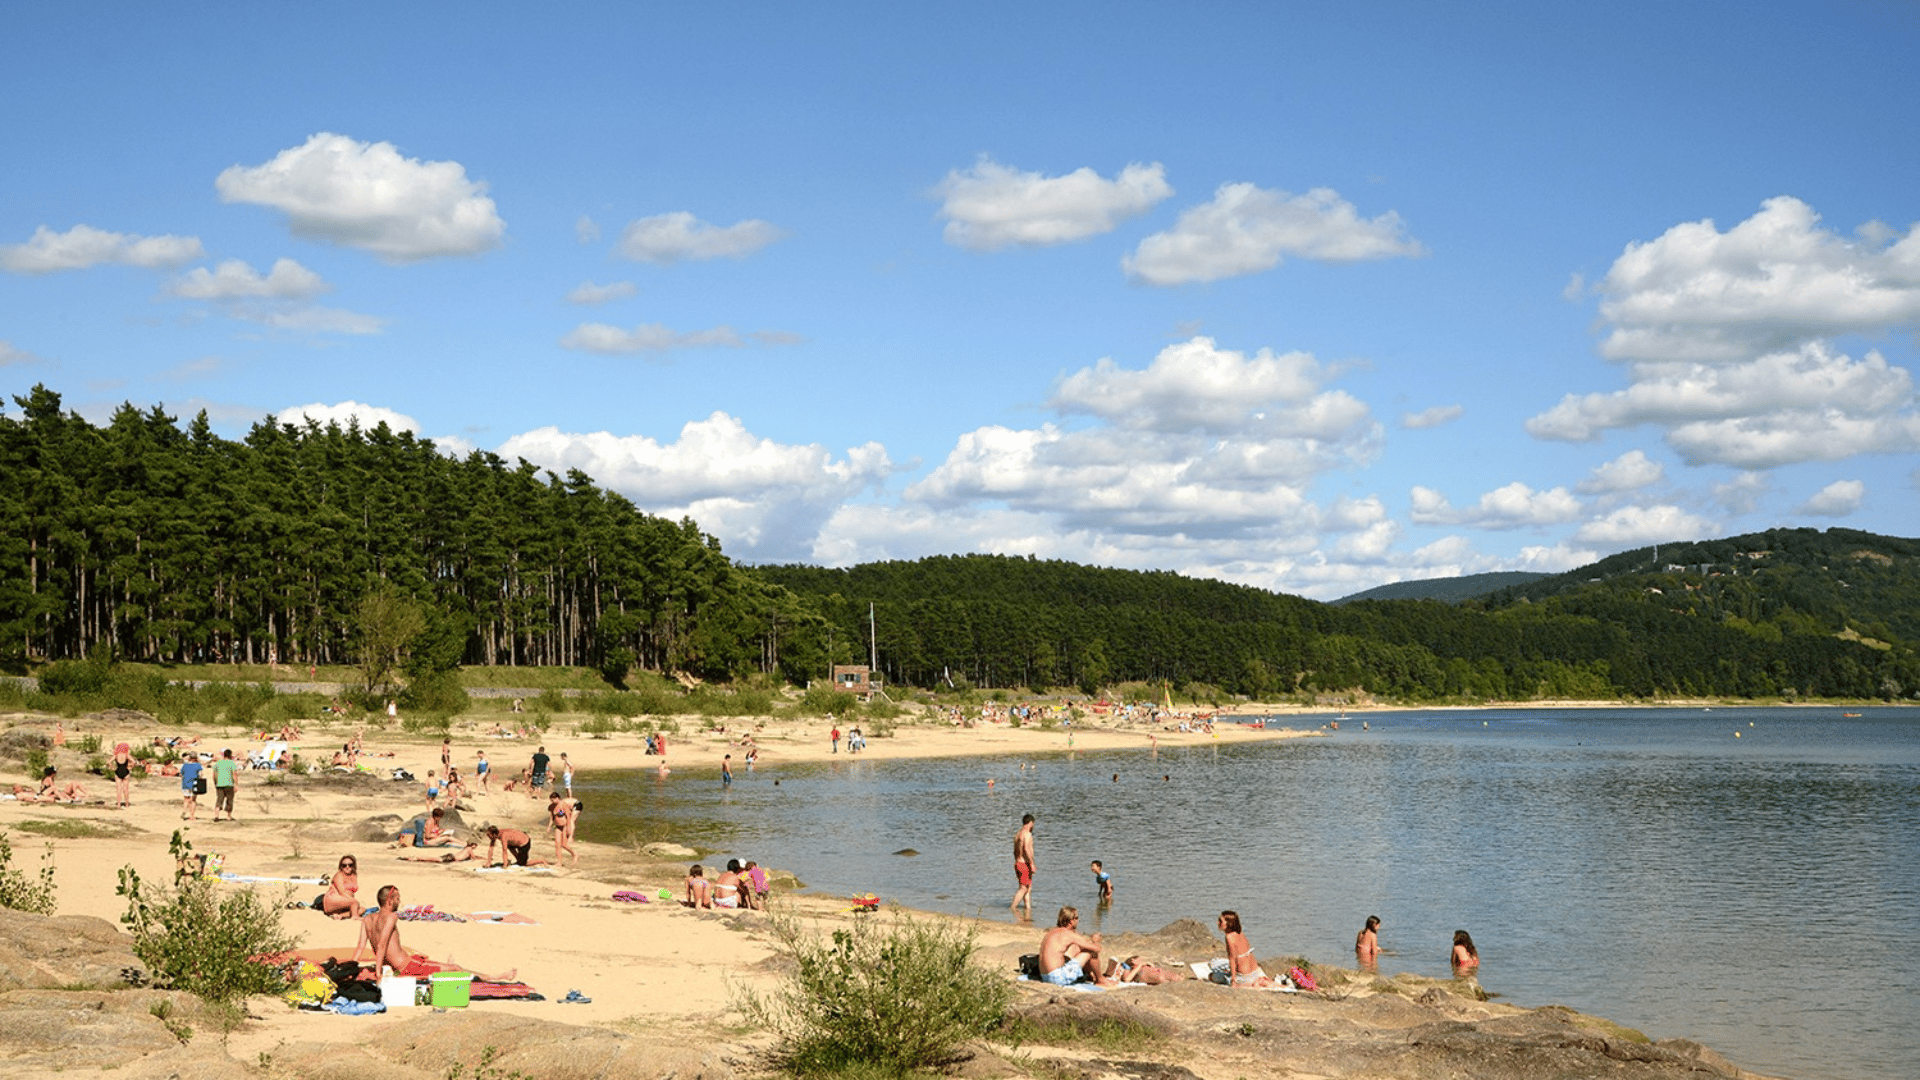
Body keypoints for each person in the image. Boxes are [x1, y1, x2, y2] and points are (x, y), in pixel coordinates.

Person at [355, 884, 514, 981]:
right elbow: (382, 946)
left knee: (436, 963)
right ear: (390, 900)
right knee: (456, 969)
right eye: (397, 898)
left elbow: (360, 947)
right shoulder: (391, 917)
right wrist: (378, 975)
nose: (400, 901)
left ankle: (448, 965)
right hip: (406, 967)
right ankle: (495, 977)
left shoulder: (367, 919)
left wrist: (352, 966)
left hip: (395, 965)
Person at [1037, 906, 1117, 986]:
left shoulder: (1052, 932)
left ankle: (1091, 975)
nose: (1078, 921)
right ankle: (1100, 980)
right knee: (1091, 952)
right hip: (1058, 978)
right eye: (1077, 918)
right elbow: (1097, 949)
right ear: (1071, 921)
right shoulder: (1069, 934)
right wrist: (1094, 941)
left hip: (1045, 976)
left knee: (1077, 949)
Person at [1214, 910, 1275, 987]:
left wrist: (1233, 980)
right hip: (1255, 972)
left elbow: (1232, 959)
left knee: (1212, 976)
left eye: (1220, 921)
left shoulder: (1229, 937)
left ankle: (1248, 984)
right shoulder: (1241, 934)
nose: (1217, 923)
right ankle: (1256, 982)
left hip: (1244, 977)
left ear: (1229, 923)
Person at [1010, 813, 1036, 917]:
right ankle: (1012, 907)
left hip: (1018, 862)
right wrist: (1031, 863)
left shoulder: (1017, 834)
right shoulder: (1027, 834)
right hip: (1024, 863)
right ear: (1030, 823)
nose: (1033, 826)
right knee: (1023, 888)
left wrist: (1018, 861)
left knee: (1028, 887)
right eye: (1033, 824)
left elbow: (1014, 851)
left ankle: (1028, 911)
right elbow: (1026, 849)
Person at [547, 793, 577, 868]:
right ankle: (559, 862)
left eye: (554, 799)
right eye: (551, 800)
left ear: (558, 798)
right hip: (557, 827)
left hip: (564, 826)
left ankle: (575, 854)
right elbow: (551, 818)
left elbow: (567, 816)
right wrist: (549, 826)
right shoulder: (551, 807)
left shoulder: (562, 804)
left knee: (564, 844)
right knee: (557, 845)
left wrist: (569, 829)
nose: (553, 801)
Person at [211, 748, 238, 821]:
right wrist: (236, 784)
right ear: (230, 755)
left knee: (219, 800)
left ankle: (216, 816)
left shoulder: (218, 763)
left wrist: (215, 783)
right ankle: (228, 816)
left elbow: (214, 775)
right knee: (229, 800)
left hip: (219, 784)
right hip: (229, 784)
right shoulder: (231, 763)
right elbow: (234, 774)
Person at [179, 752, 202, 820]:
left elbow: (181, 774)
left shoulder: (185, 765)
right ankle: (192, 815)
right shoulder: (197, 765)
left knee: (186, 798)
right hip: (194, 783)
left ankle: (184, 809)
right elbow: (200, 775)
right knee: (193, 800)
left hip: (185, 783)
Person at [112, 741, 133, 808]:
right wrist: (130, 767)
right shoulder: (126, 755)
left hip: (118, 771)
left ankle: (118, 804)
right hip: (125, 772)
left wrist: (112, 767)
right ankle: (127, 804)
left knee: (118, 789)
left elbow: (108, 762)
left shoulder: (116, 755)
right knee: (125, 789)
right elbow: (134, 762)